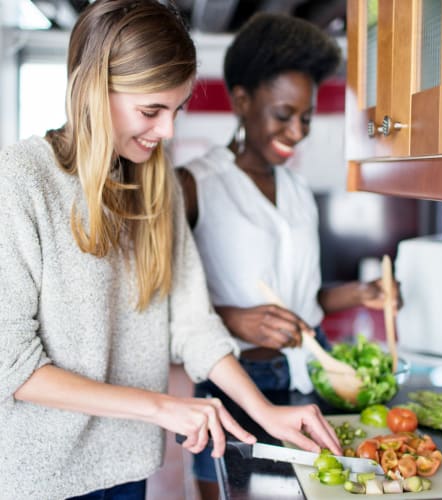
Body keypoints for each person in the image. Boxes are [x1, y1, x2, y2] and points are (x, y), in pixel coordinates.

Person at [0, 2, 343, 499]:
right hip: (41, 475)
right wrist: (161, 407)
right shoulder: (21, 180)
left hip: (127, 465)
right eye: (150, 110)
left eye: (175, 110)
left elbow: (192, 322)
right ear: (94, 89)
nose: (167, 132)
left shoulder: (158, 188)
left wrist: (264, 411)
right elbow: (13, 365)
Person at [176, 12, 401, 499]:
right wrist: (234, 318)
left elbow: (303, 297)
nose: (298, 132)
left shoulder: (298, 190)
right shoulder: (194, 185)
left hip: (305, 375)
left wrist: (364, 293)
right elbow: (161, 307)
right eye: (283, 114)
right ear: (241, 100)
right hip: (234, 386)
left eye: (306, 117)